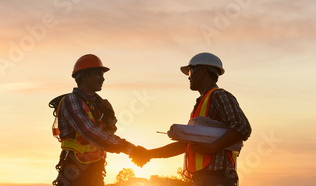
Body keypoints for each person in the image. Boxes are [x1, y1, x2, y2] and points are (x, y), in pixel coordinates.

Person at [132, 52, 251, 186]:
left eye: (190, 71)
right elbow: (186, 145)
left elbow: (242, 127)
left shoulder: (220, 96)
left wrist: (212, 147)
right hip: (203, 179)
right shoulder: (201, 105)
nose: (189, 77)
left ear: (203, 71)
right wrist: (148, 154)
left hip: (217, 178)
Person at [50, 54, 147, 186]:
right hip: (74, 175)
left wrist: (109, 118)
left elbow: (107, 136)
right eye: (98, 74)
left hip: (94, 172)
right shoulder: (71, 101)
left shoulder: (97, 105)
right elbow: (90, 132)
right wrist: (130, 149)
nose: (103, 78)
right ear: (84, 76)